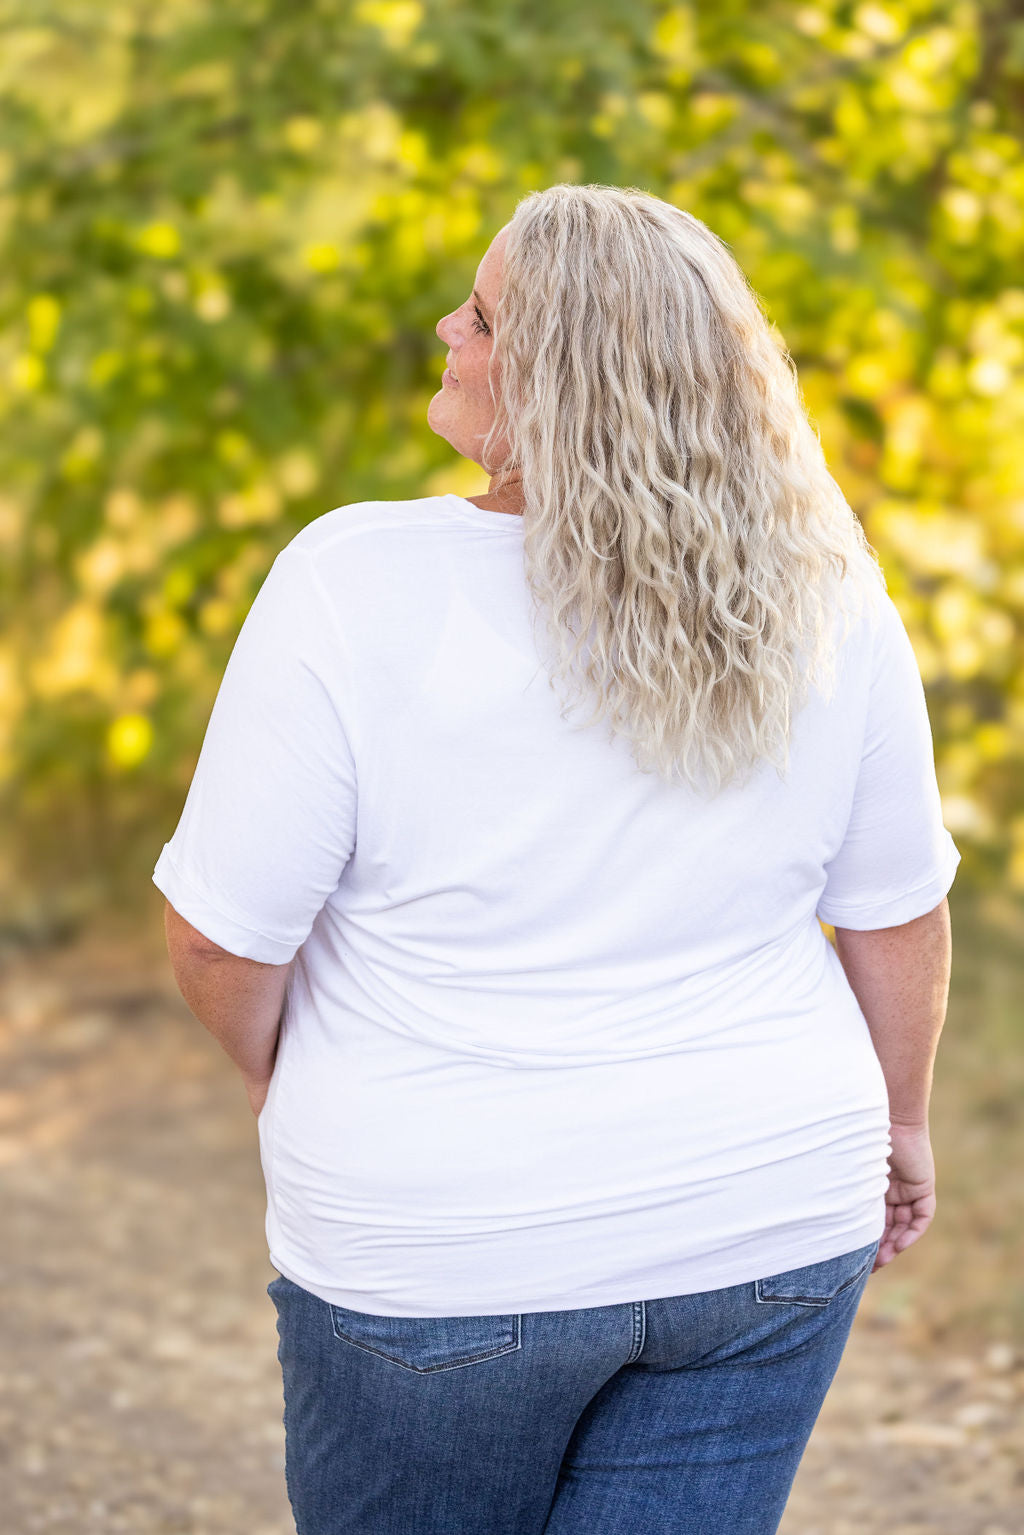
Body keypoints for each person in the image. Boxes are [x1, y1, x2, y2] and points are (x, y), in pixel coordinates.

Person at [154, 183, 959, 1535]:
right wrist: (906, 1122)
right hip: (763, 1225)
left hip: (442, 1244)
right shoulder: (830, 593)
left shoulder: (352, 582)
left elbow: (223, 941)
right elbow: (897, 912)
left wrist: (282, 1078)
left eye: (477, 317)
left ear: (559, 377)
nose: (443, 330)